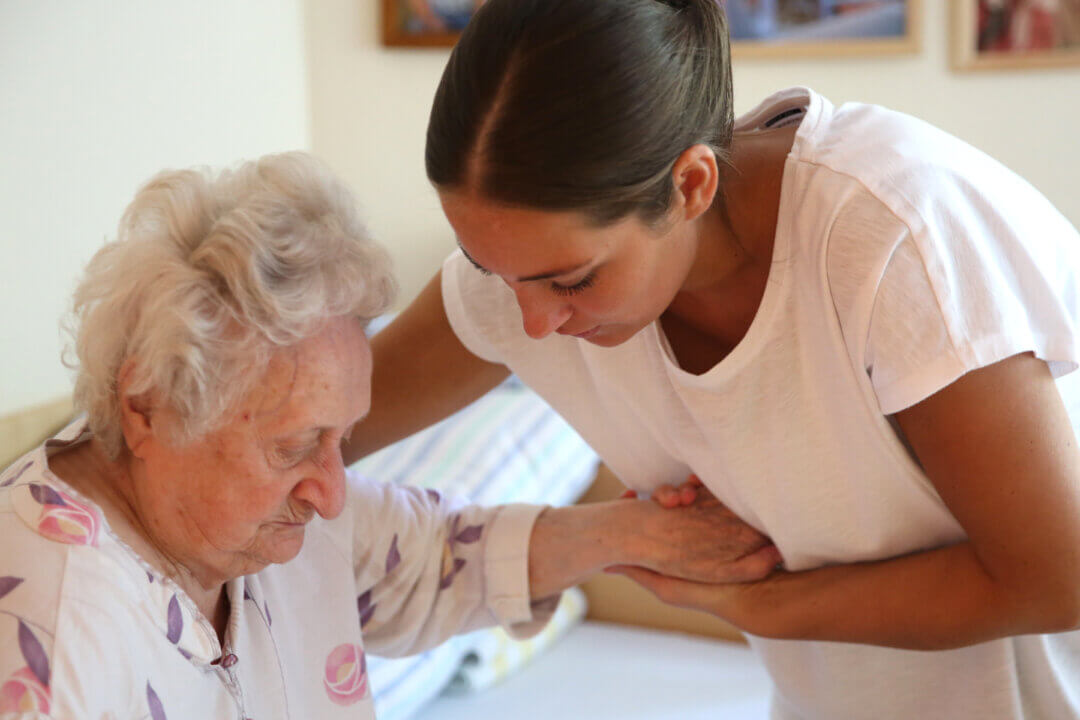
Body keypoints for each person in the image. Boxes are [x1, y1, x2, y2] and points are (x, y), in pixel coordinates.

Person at [342, 0, 1080, 718]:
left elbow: (1056, 577)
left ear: (691, 184)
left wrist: (760, 605)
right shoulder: (519, 286)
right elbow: (298, 440)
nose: (533, 323)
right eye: (488, 268)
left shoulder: (890, 235)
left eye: (572, 280)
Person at [0, 152, 780, 719]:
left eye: (341, 438)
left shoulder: (239, 521)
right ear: (147, 407)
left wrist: (635, 534)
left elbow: (429, 556)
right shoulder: (47, 647)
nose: (332, 491)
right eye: (293, 446)